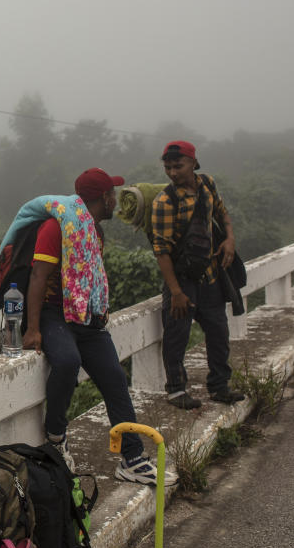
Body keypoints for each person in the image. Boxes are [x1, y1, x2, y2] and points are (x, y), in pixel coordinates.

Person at [20, 167, 177, 486]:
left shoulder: (95, 231)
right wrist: (33, 328)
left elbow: (91, 276)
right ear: (103, 197)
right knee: (66, 361)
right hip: (54, 313)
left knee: (115, 379)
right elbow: (37, 277)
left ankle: (132, 459)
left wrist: (99, 308)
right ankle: (56, 436)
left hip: (87, 317)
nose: (116, 201)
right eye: (113, 195)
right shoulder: (55, 228)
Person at [151, 140, 246, 409]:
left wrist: (229, 239)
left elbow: (221, 212)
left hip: (210, 276)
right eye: (168, 167)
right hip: (181, 280)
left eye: (178, 166)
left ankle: (219, 385)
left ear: (193, 163)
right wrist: (177, 292)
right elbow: (162, 251)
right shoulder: (165, 202)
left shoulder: (207, 185)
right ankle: (176, 390)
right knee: (177, 334)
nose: (172, 172)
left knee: (218, 331)